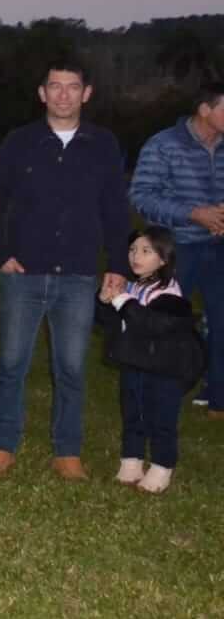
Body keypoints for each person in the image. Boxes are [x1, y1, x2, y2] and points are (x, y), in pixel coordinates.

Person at [0, 62, 131, 480]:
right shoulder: (21, 142)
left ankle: (67, 451)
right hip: (23, 273)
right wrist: (0, 253)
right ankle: (2, 444)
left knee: (71, 367)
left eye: (73, 87)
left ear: (86, 94)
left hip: (79, 275)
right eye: (55, 86)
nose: (64, 94)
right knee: (12, 363)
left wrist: (118, 265)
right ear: (42, 93)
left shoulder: (102, 144)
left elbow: (116, 211)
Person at [129, 80, 224, 414]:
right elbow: (141, 197)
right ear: (205, 110)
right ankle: (159, 393)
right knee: (164, 326)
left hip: (219, 249)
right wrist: (193, 214)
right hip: (175, 250)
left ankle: (218, 398)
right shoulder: (164, 145)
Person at [98, 227, 205, 494]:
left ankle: (162, 465)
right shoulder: (134, 286)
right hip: (136, 364)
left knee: (162, 418)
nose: (136, 256)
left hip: (166, 369)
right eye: (133, 249)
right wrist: (104, 302)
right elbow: (113, 323)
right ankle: (131, 460)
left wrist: (122, 300)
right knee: (133, 411)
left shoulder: (170, 296)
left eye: (146, 251)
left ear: (164, 258)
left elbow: (150, 324)